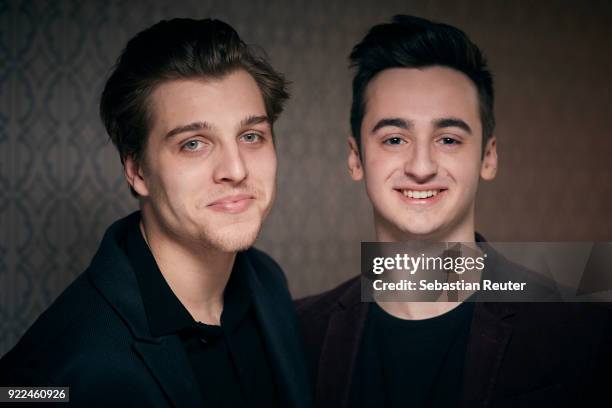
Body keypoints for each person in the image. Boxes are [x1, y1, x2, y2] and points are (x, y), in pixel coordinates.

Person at [297, 15, 611, 407]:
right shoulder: (297, 333)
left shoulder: (581, 328)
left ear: (488, 156)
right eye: (395, 139)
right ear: (356, 158)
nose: (422, 167)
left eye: (448, 139)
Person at [0, 18, 311, 407]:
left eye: (251, 136)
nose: (236, 169)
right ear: (137, 170)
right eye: (194, 144)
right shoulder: (55, 369)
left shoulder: (267, 280)